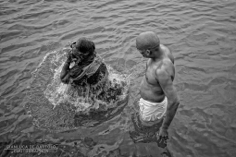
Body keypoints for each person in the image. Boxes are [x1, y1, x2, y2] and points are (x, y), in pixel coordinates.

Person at [130, 31, 180, 149]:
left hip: (153, 107)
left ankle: (154, 140)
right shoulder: (162, 49)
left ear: (148, 51)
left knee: (144, 129)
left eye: (141, 52)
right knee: (140, 123)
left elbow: (175, 101)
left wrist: (164, 128)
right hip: (150, 102)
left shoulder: (161, 70)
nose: (140, 54)